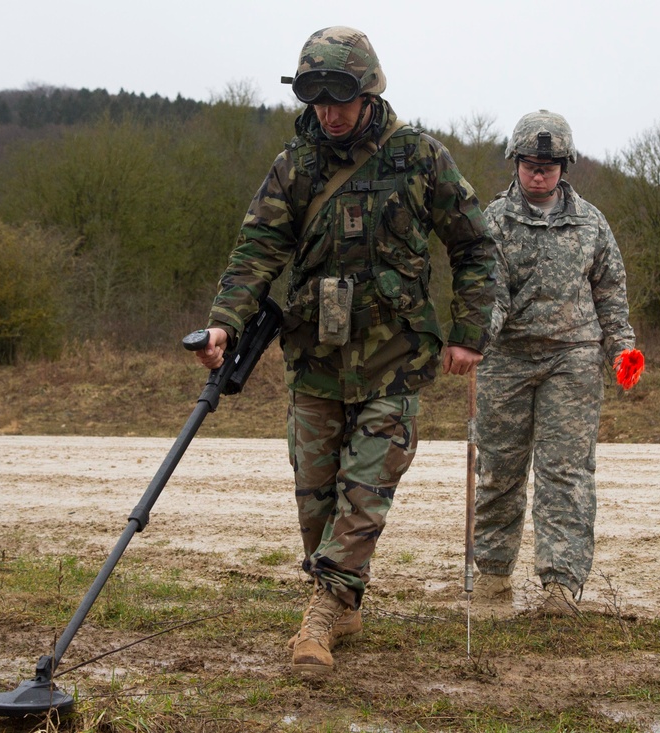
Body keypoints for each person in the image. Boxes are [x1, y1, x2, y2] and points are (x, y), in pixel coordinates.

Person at [193, 26, 496, 674]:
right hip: (316, 361)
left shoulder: (419, 157)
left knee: (365, 490)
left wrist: (471, 331)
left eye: (341, 98)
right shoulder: (295, 166)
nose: (329, 112)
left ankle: (323, 616)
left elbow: (474, 244)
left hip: (394, 363)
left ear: (368, 92)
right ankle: (344, 596)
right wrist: (224, 322)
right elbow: (256, 253)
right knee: (316, 499)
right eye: (316, 99)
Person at [472, 110, 636, 616]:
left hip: (574, 359)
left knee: (565, 471)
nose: (537, 172)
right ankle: (493, 579)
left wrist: (621, 347)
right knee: (499, 469)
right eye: (528, 163)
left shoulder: (591, 223)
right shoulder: (494, 221)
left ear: (565, 166)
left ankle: (560, 587)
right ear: (515, 163)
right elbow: (488, 293)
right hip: (507, 361)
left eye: (548, 164)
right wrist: (475, 335)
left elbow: (610, 291)